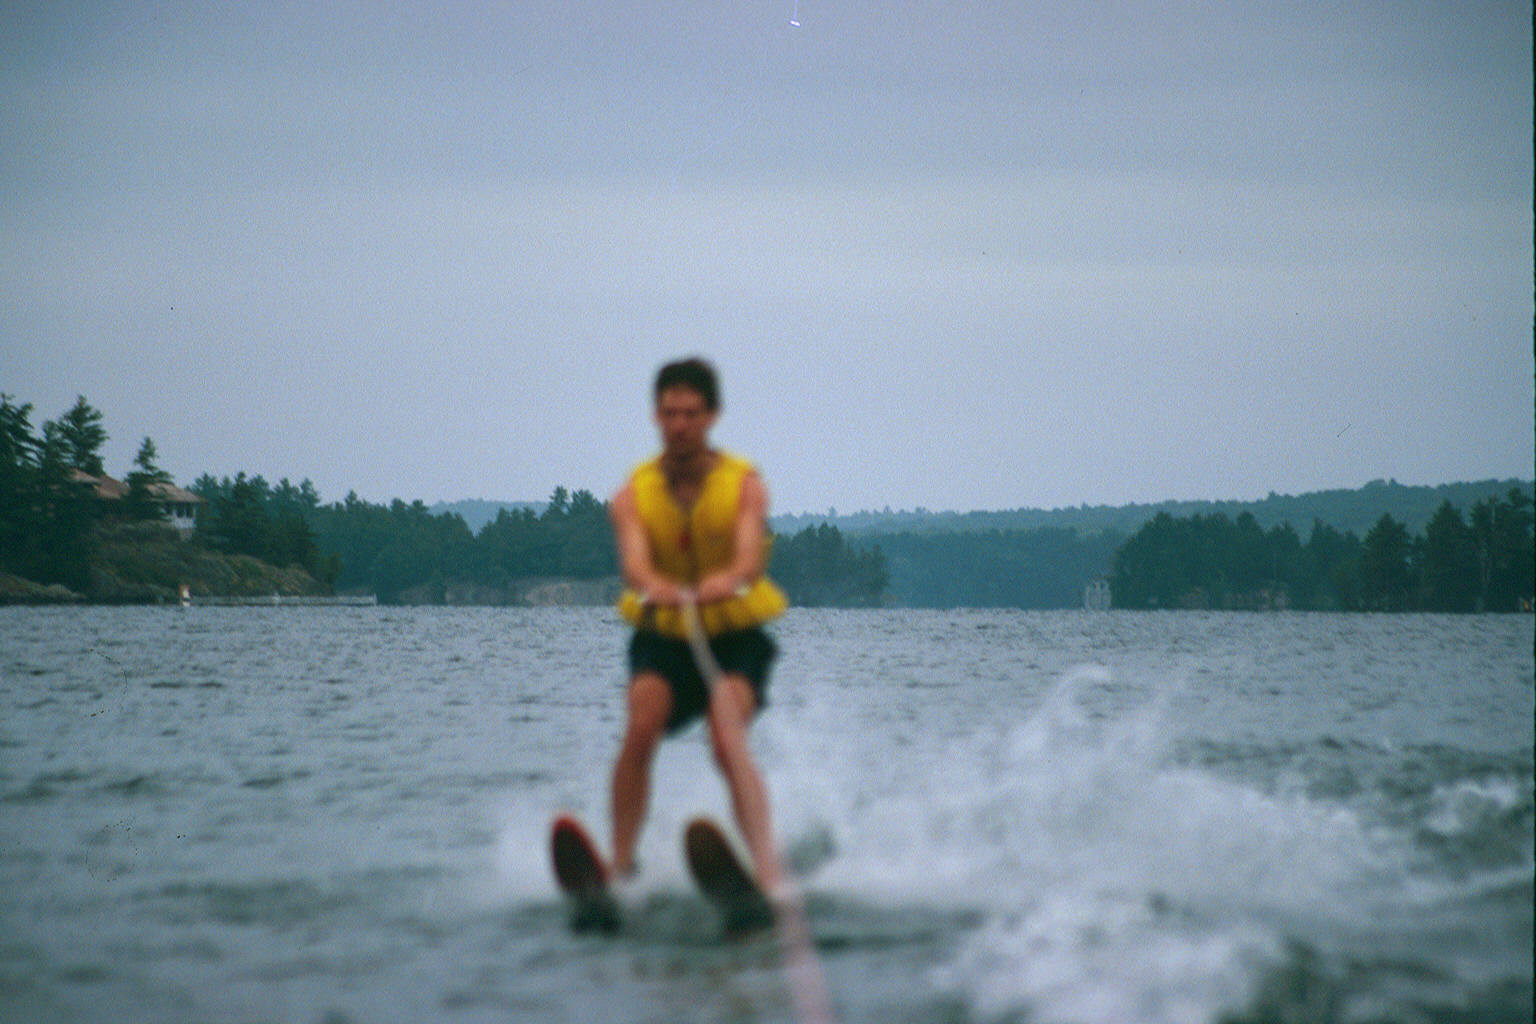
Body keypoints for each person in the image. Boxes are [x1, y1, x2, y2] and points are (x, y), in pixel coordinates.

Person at [608, 357, 789, 892]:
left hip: (733, 640)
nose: (680, 425)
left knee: (725, 737)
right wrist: (655, 585)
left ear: (711, 416)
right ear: (656, 416)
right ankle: (619, 867)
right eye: (670, 413)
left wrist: (726, 579)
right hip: (664, 638)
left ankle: (767, 871)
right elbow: (635, 565)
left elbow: (748, 558)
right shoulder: (631, 496)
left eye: (690, 413)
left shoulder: (745, 486)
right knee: (641, 725)